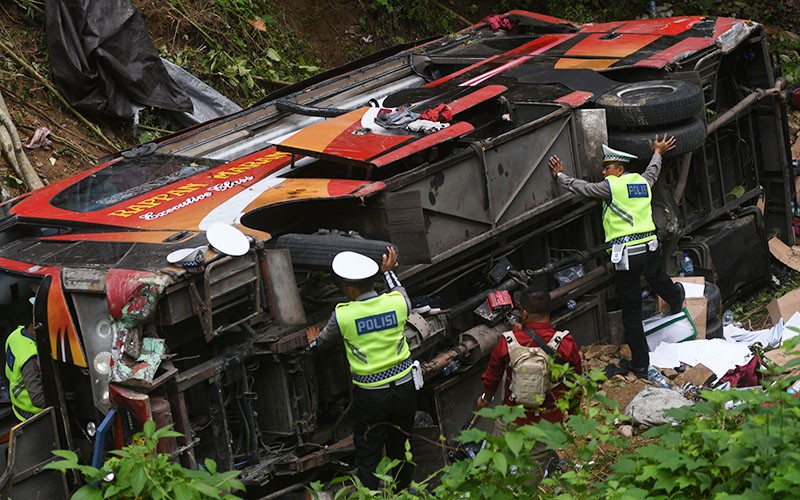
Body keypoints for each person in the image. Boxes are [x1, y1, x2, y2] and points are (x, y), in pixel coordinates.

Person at [548, 136, 684, 378]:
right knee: (657, 277)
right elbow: (653, 171)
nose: (603, 172)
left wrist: (560, 175)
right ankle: (676, 298)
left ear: (620, 170)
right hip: (650, 246)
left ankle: (640, 364)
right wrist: (657, 153)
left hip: (628, 256)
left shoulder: (612, 186)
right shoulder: (641, 181)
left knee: (631, 311)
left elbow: (582, 188)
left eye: (607, 168)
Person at [306, 247, 416, 490]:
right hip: (405, 388)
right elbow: (399, 289)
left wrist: (311, 341)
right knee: (401, 446)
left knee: (368, 452)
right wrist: (388, 272)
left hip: (371, 396)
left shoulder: (343, 315)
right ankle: (403, 492)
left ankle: (369, 494)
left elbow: (321, 344)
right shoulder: (397, 302)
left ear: (349, 289)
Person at [477, 285, 582, 482]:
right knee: (531, 475)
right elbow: (575, 382)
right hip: (547, 422)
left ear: (524, 313)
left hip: (511, 419)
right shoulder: (564, 343)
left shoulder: (509, 341)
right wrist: (573, 411)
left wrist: (486, 398)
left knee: (496, 470)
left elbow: (492, 376)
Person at [5, 298, 45, 421]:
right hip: (33, 416)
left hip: (17, 406)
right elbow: (38, 399)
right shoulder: (31, 358)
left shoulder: (15, 335)